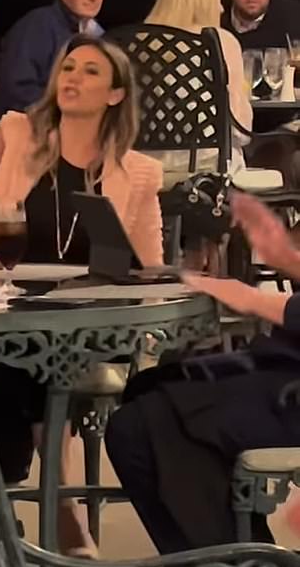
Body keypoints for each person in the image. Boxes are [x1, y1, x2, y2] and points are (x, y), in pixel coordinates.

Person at [0, 0, 164, 557]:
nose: (73, 77)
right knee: (24, 356)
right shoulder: (18, 138)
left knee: (31, 361)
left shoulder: (138, 173)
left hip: (92, 325)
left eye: (90, 72)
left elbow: (154, 268)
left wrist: (141, 273)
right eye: (68, 68)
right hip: (8, 314)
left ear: (116, 95)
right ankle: (63, 518)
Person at [105, 190, 300, 554]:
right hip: (284, 362)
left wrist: (256, 299)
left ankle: (235, 557)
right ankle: (237, 554)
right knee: (145, 398)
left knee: (152, 424)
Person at [143, 0, 253, 181]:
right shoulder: (222, 42)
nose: (222, 9)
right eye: (217, 0)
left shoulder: (142, 43)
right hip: (208, 167)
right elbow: (241, 131)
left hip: (147, 167)